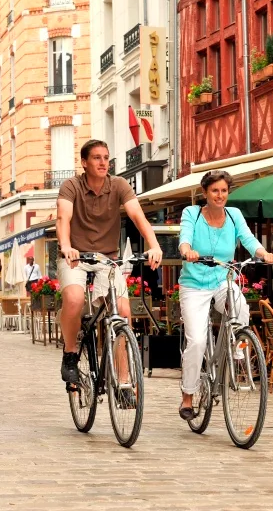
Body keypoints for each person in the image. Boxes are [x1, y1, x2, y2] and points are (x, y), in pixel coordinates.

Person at [57, 139, 163, 391]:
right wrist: (66, 246)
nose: (103, 162)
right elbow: (63, 218)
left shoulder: (119, 185)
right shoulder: (71, 186)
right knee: (74, 298)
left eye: (106, 157)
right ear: (84, 163)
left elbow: (138, 216)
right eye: (96, 158)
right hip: (75, 257)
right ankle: (70, 353)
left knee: (123, 314)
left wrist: (154, 245)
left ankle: (123, 382)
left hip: (107, 258)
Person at [177, 170, 273, 420]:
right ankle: (188, 396)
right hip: (194, 285)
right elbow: (184, 237)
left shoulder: (234, 215)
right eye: (215, 191)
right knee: (197, 341)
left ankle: (235, 349)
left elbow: (249, 239)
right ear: (205, 193)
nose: (220, 195)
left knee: (241, 307)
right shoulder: (192, 213)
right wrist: (187, 250)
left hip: (222, 279)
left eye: (223, 191)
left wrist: (263, 253)